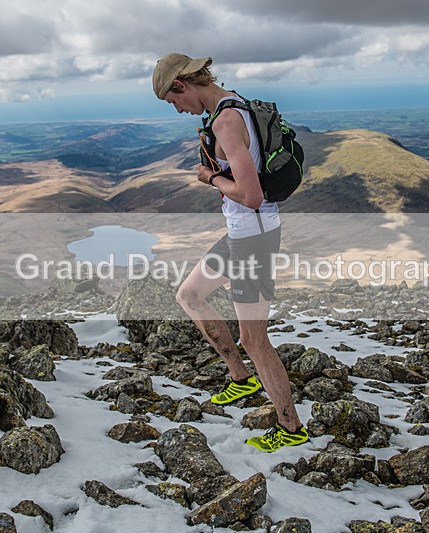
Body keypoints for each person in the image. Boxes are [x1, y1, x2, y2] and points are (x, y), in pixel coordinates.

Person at [152, 53, 309, 452]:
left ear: (181, 85)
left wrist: (211, 177)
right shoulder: (232, 102)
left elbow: (252, 195)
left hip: (252, 238)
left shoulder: (225, 120)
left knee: (254, 339)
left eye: (173, 101)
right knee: (189, 295)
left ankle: (291, 429)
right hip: (242, 234)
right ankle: (241, 378)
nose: (178, 109)